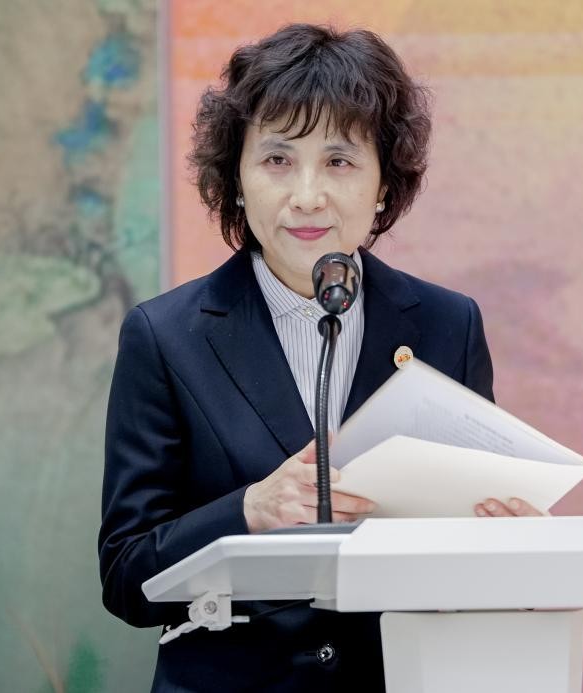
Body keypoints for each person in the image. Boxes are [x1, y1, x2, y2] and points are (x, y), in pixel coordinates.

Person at [98, 23, 539, 692]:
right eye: (277, 160)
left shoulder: (449, 327)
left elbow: (461, 560)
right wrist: (249, 510)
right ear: (237, 180)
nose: (307, 195)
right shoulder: (164, 337)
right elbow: (126, 575)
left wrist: (510, 546)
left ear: (384, 184)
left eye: (339, 161)